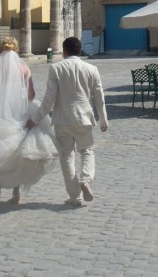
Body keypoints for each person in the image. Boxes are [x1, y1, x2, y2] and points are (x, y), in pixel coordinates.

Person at [0, 37, 59, 209]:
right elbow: (31, 95)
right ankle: (16, 193)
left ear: (2, 50)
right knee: (17, 151)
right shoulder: (24, 69)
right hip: (20, 111)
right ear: (17, 51)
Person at [27, 36, 108, 206]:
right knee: (87, 151)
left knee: (66, 157)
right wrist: (103, 119)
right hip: (84, 118)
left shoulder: (56, 68)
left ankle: (74, 196)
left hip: (62, 120)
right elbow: (99, 97)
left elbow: (49, 99)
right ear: (79, 50)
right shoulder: (92, 69)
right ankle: (86, 179)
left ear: (64, 51)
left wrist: (35, 119)